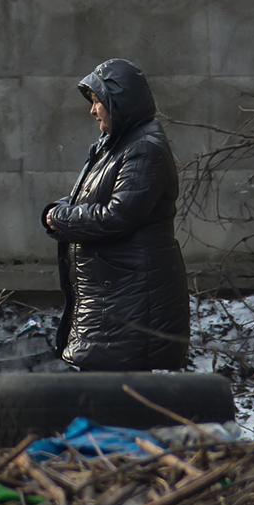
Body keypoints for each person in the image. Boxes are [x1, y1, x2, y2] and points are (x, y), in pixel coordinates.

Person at [42, 58, 189, 371]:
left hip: (129, 309)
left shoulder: (143, 147)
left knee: (119, 409)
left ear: (119, 102)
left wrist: (61, 218)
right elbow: (94, 197)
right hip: (114, 305)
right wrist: (59, 212)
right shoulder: (118, 143)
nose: (92, 111)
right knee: (107, 407)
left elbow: (118, 215)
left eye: (97, 101)